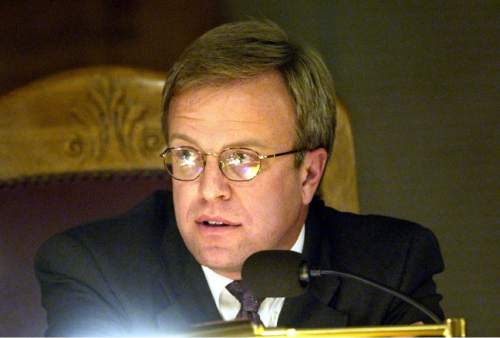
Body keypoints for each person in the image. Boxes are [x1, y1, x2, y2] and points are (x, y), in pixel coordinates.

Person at [35, 20, 444, 336]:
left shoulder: (388, 272)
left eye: (242, 159)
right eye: (187, 155)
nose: (210, 189)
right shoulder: (94, 272)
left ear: (309, 174)